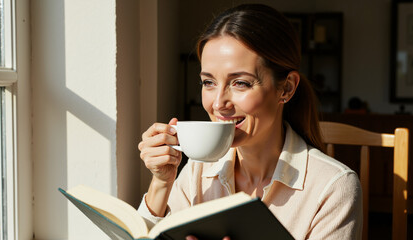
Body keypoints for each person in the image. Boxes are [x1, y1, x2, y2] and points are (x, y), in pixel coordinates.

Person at [138, 4, 362, 240]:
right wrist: (162, 183)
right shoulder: (198, 170)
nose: (218, 104)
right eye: (209, 83)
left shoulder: (332, 188)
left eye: (240, 83)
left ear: (286, 88)